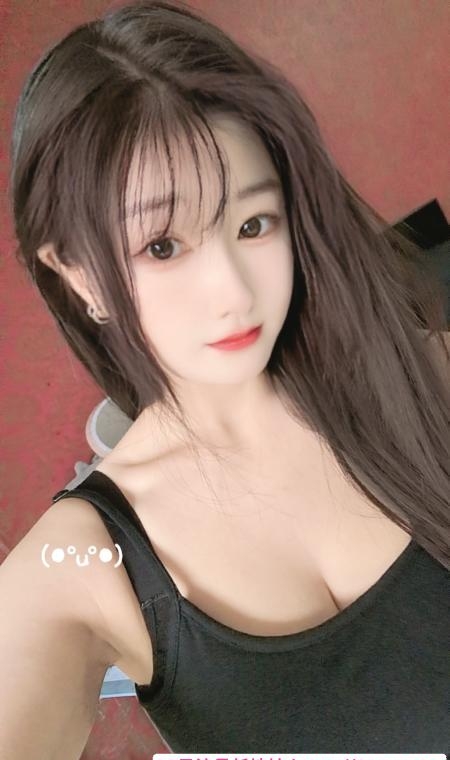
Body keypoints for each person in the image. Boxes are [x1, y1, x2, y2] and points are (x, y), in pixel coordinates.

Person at [2, 0, 449, 756]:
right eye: (163, 246)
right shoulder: (87, 562)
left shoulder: (428, 375)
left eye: (252, 224)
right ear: (79, 275)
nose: (234, 292)